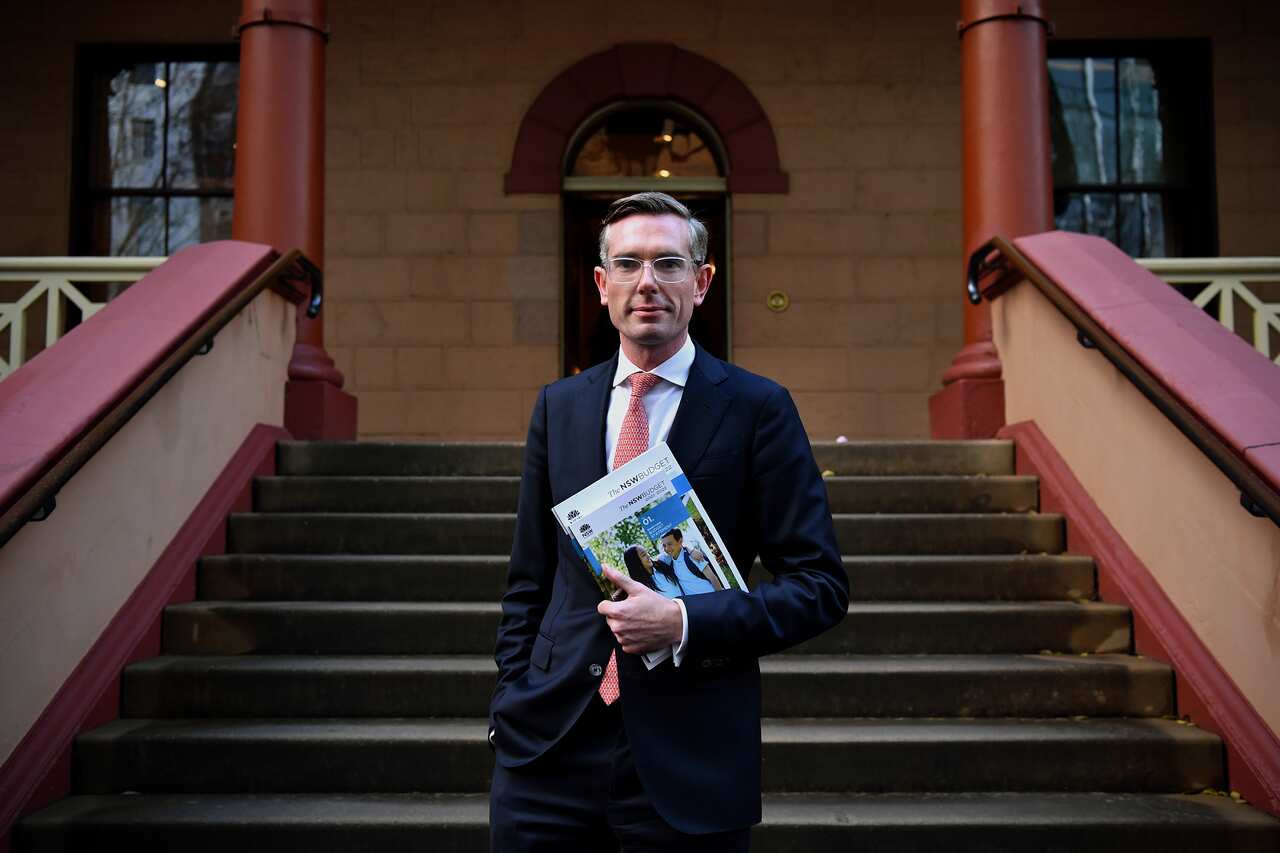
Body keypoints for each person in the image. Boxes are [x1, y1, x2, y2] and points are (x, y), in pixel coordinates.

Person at [489, 191, 847, 852]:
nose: (647, 281)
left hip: (691, 756)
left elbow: (820, 585)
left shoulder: (758, 408)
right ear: (602, 284)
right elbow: (527, 580)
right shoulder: (559, 406)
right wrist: (509, 702)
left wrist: (684, 622)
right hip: (547, 749)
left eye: (669, 264)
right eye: (627, 264)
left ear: (702, 281)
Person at [656, 528, 718, 594]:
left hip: (712, 597)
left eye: (670, 544)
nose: (667, 549)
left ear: (680, 540)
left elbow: (713, 579)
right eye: (664, 545)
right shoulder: (668, 561)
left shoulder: (693, 556)